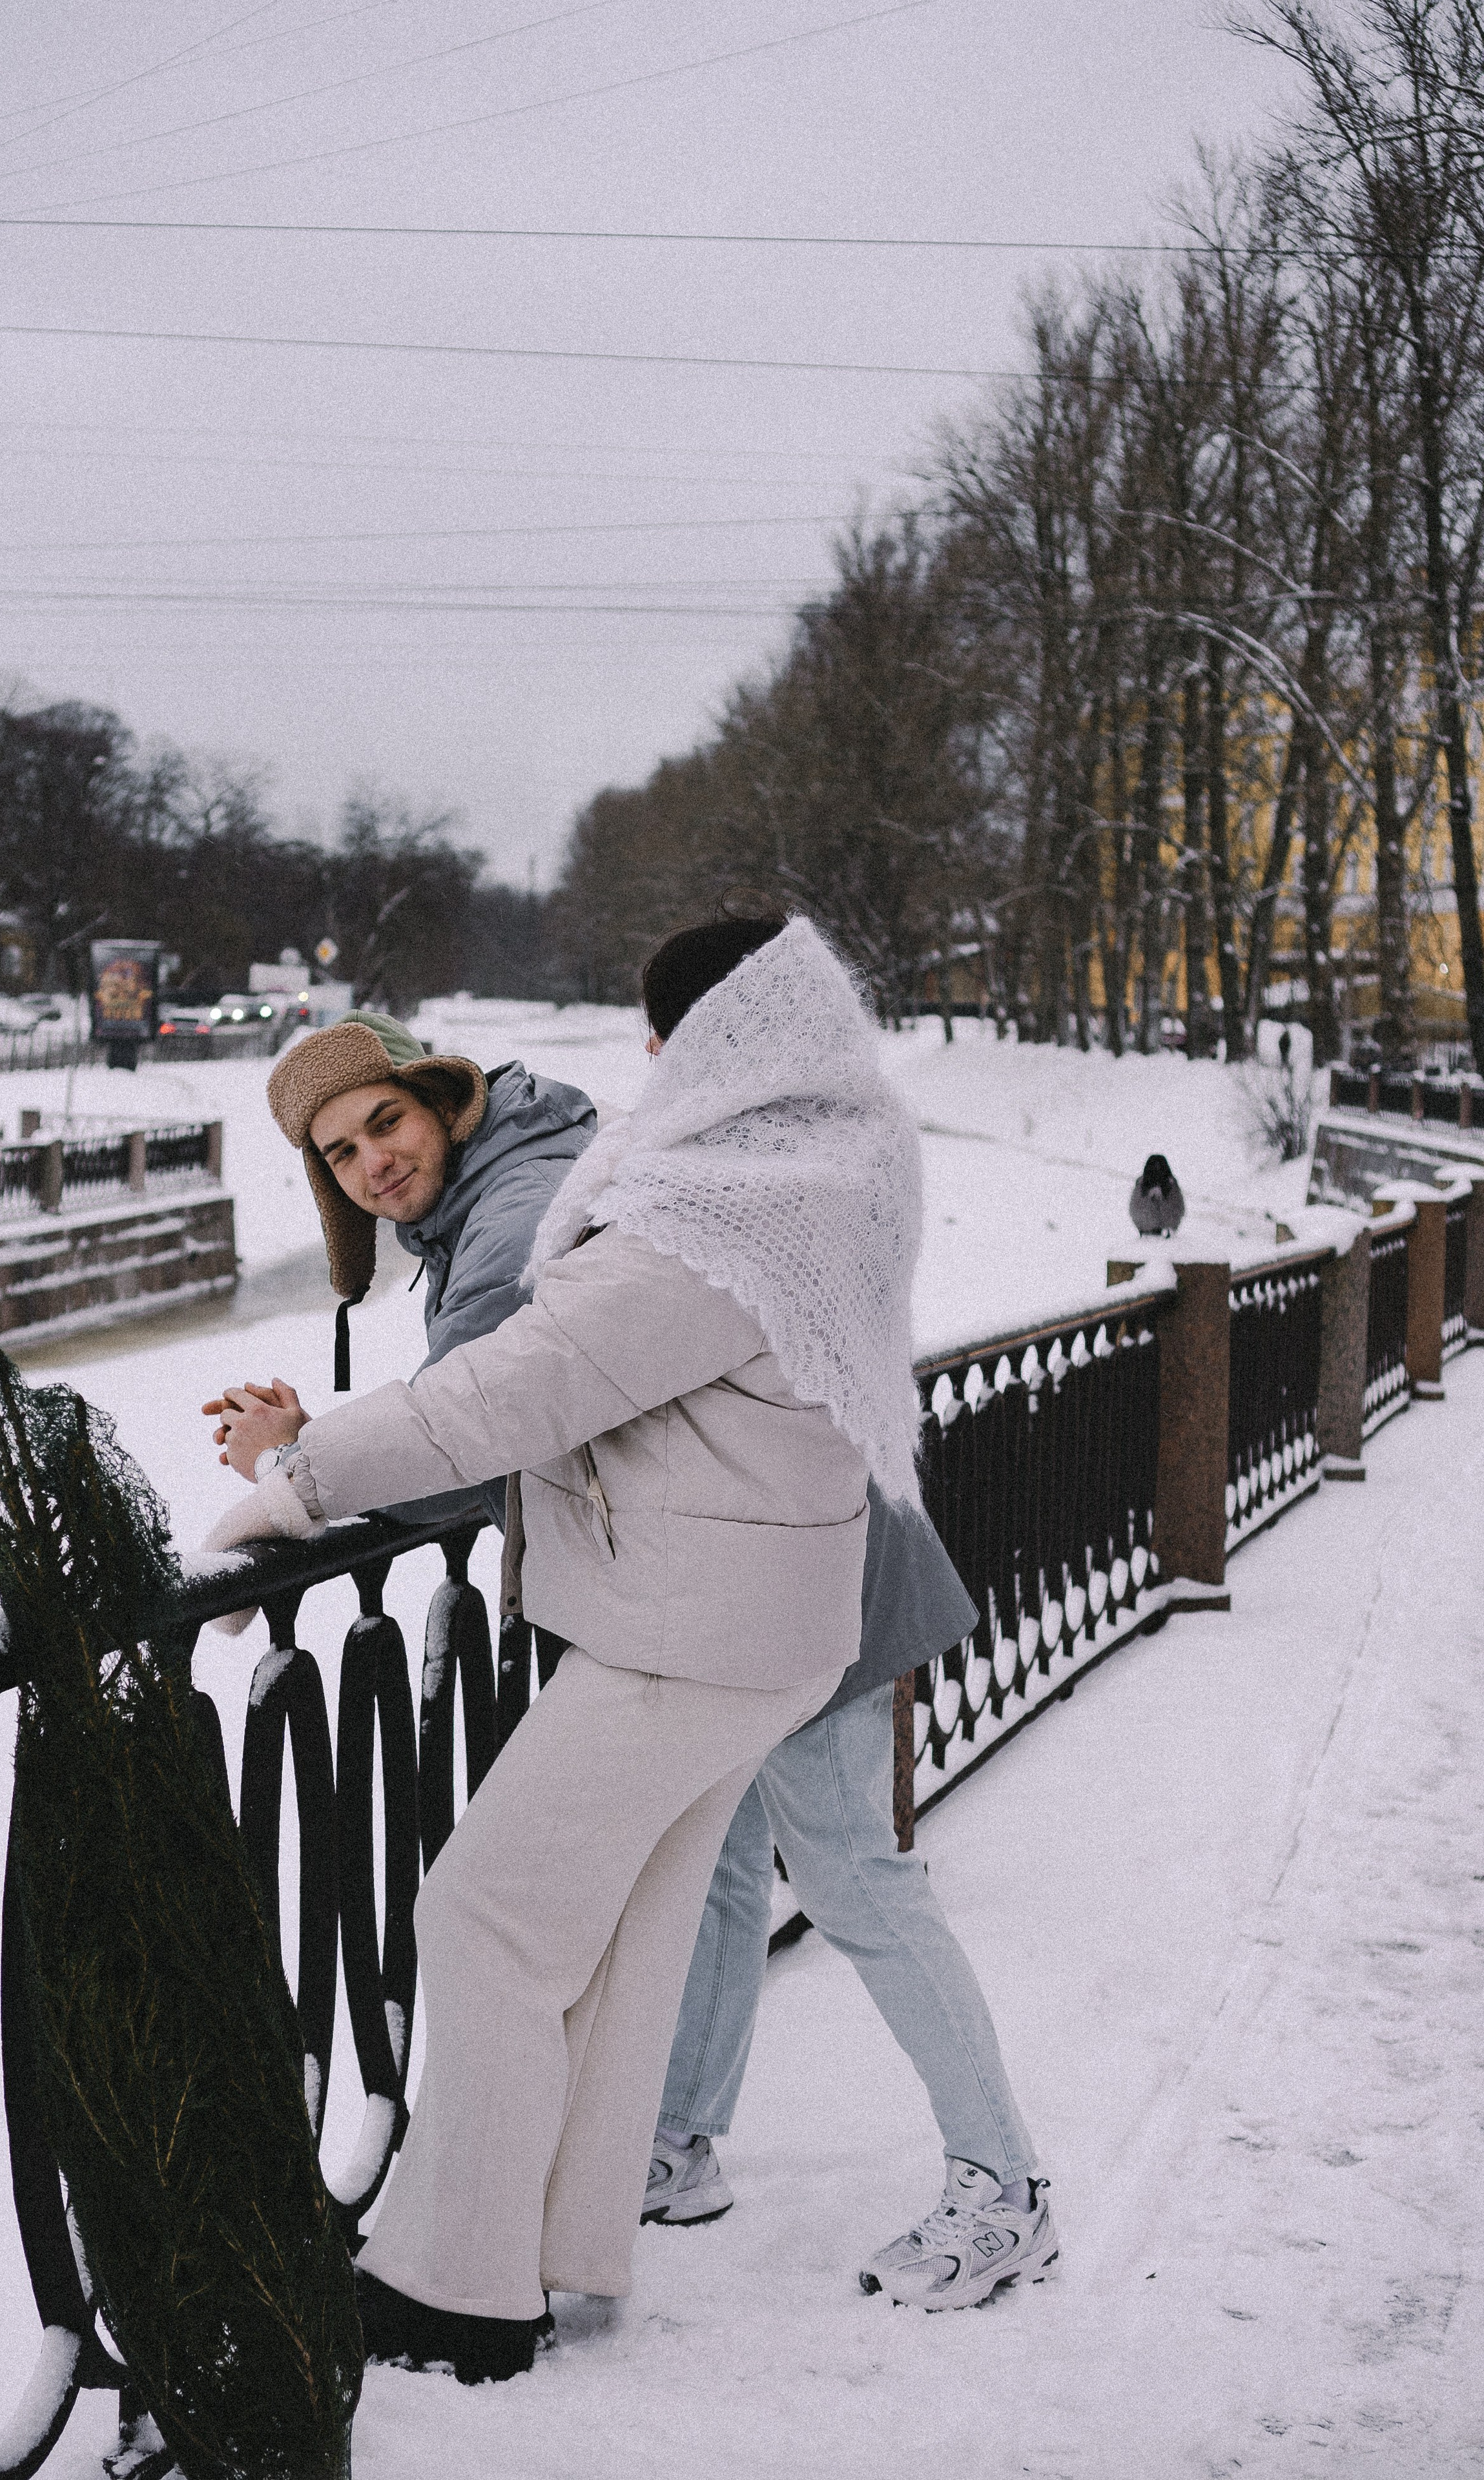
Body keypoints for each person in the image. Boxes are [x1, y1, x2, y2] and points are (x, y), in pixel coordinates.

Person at [207, 916, 923, 2382]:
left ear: (728, 1040)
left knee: (484, 1915)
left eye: (674, 1034)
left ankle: (455, 2288)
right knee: (618, 1941)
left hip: (690, 1624)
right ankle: (566, 2255)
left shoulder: (722, 1206)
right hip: (760, 1614)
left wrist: (292, 1487)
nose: (655, 1063)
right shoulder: (836, 1156)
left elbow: (511, 1393)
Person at [640, 938, 1058, 2315]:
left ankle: (1003, 2188)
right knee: (717, 1868)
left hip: (811, 1575)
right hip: (759, 1574)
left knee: (860, 1883)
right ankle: (680, 2143)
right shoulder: (822, 1142)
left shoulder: (771, 1172)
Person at [201, 1007, 597, 1526]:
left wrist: (288, 1460)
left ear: (442, 1101)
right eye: (342, 1154)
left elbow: (455, 1449)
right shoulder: (472, 1202)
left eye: (387, 1123)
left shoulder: (517, 1218)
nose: (375, 1163)